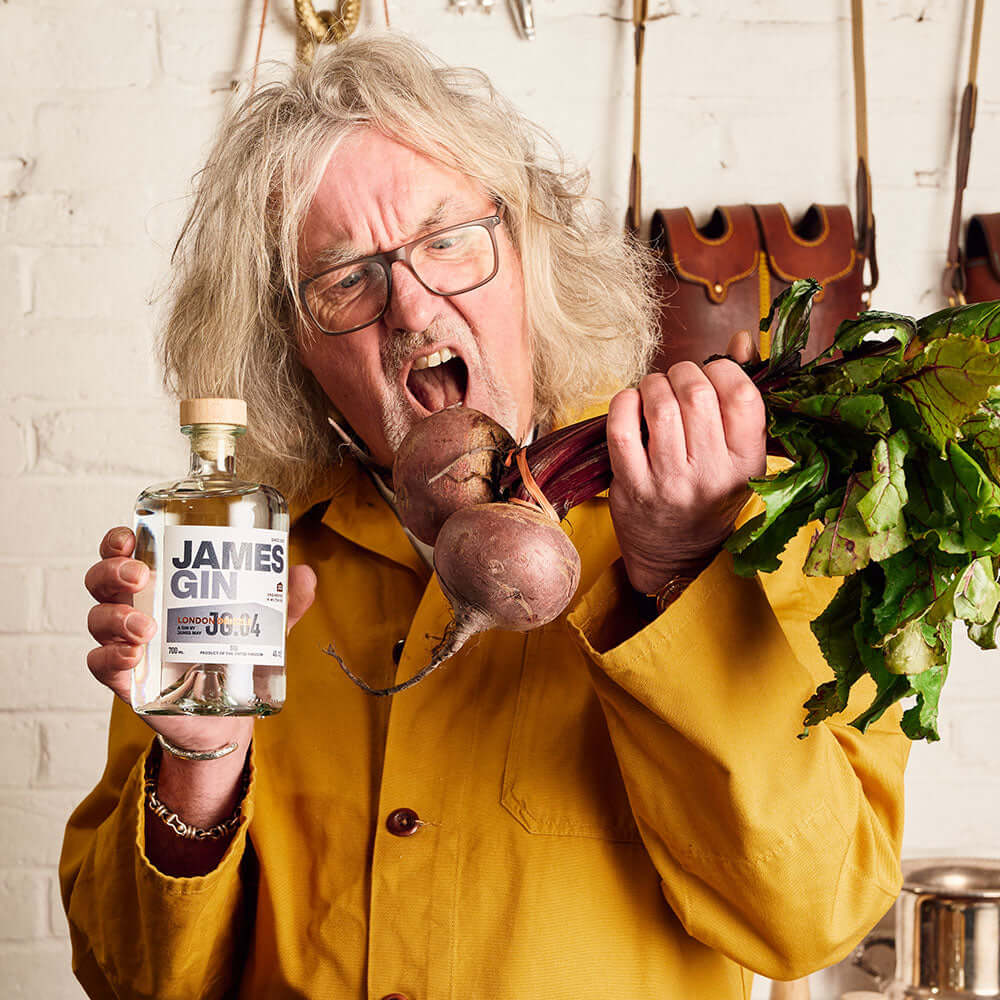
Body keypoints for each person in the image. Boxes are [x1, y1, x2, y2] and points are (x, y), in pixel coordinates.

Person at [61, 33, 908, 1000]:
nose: (412, 306)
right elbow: (130, 982)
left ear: (529, 258)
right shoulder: (228, 582)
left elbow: (812, 919)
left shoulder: (755, 525)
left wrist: (677, 575)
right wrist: (200, 760)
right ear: (290, 348)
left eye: (448, 240)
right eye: (344, 278)